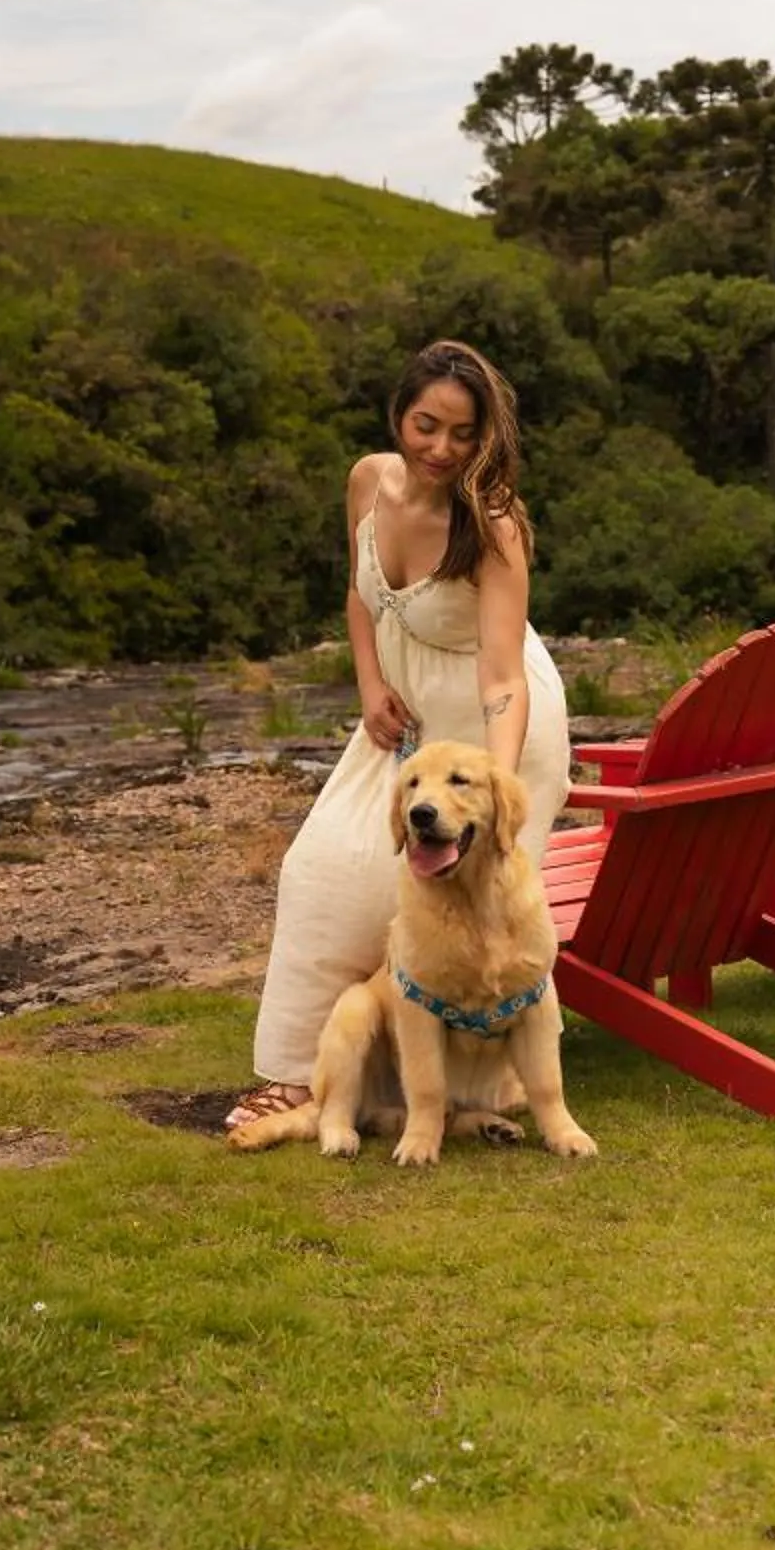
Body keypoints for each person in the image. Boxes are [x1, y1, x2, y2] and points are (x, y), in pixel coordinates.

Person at [230, 338, 570, 1126]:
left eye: (463, 434)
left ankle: (466, 1084)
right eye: (426, 424)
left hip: (496, 725)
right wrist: (370, 685)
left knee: (440, 890)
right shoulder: (367, 481)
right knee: (322, 869)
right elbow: (361, 593)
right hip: (404, 713)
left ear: (486, 438)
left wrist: (496, 790)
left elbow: (504, 677)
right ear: (398, 413)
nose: (441, 449)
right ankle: (297, 1072)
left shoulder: (493, 525)